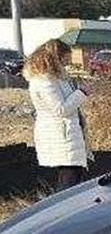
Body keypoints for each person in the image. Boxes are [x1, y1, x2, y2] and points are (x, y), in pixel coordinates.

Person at [25, 39, 90, 191]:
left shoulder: (56, 78)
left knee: (72, 179)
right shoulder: (44, 81)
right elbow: (60, 109)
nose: (66, 63)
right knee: (69, 184)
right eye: (65, 59)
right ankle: (64, 212)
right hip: (61, 136)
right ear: (56, 58)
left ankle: (68, 211)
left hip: (66, 134)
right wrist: (81, 93)